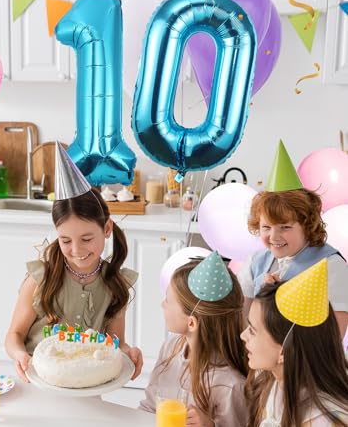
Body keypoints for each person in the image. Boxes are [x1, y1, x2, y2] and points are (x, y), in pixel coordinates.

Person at [5, 143, 142, 381]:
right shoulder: (41, 279)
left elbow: (114, 344)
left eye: (87, 238)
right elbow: (14, 335)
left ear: (107, 228)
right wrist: (19, 354)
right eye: (65, 240)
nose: (76, 250)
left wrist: (129, 352)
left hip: (89, 386)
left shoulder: (115, 284)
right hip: (38, 382)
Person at [238, 141, 348, 337]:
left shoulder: (331, 266)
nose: (274, 237)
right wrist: (265, 298)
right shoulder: (256, 263)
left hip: (308, 366)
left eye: (285, 227)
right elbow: (243, 327)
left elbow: (334, 340)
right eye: (266, 227)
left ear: (307, 224)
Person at [140, 252, 249, 427]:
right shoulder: (171, 347)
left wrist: (210, 425)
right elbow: (149, 406)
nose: (162, 304)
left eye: (168, 300)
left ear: (191, 323)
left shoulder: (230, 385)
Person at [241, 260, 348, 426]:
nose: (242, 335)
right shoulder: (272, 384)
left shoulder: (325, 421)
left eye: (252, 331)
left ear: (284, 351)